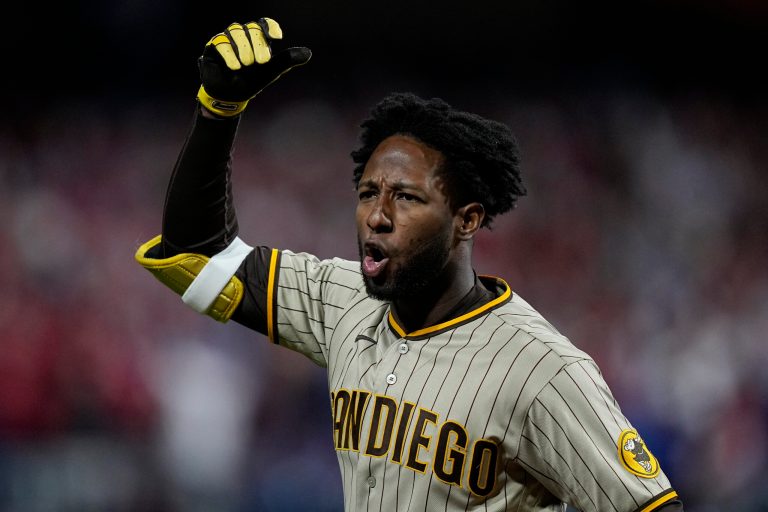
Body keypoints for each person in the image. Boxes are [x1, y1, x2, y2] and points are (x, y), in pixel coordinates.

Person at [135, 18, 683, 511]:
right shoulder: (344, 302)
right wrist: (217, 113)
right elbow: (195, 254)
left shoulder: (542, 369)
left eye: (407, 197)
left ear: (466, 220)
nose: (377, 215)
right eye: (369, 192)